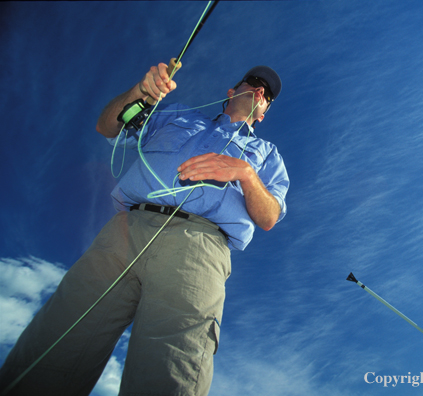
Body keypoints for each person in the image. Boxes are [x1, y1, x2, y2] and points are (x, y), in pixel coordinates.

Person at [0, 62, 289, 395]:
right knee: (57, 336)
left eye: (266, 94)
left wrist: (246, 173)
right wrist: (139, 93)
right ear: (231, 91)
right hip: (125, 232)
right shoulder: (177, 114)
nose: (259, 90)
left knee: (172, 366)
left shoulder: (268, 156)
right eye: (252, 82)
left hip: (200, 246)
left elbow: (269, 216)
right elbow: (107, 126)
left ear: (264, 112)